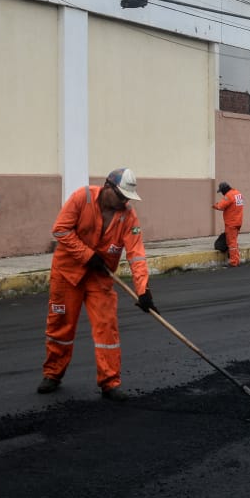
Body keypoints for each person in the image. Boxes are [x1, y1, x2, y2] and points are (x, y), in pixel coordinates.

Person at [38, 168, 155, 401]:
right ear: (107, 187)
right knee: (61, 326)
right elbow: (60, 229)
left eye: (127, 197)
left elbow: (136, 255)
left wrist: (143, 291)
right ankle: (53, 373)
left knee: (106, 328)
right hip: (67, 274)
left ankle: (110, 382)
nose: (124, 201)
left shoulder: (128, 216)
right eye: (121, 195)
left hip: (100, 278)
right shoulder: (83, 198)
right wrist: (87, 255)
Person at [213, 181, 244, 267]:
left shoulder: (229, 196)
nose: (222, 193)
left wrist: (214, 205)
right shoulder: (238, 193)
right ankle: (236, 259)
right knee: (234, 241)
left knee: (231, 243)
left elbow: (220, 206)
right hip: (238, 221)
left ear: (224, 190)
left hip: (231, 223)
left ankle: (234, 262)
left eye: (221, 191)